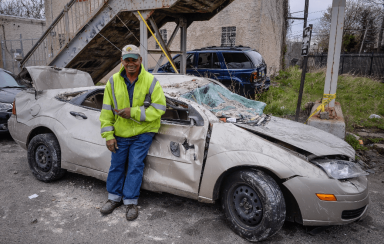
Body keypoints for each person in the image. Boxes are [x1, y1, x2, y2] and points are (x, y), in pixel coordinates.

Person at [99, 44, 166, 221]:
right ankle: (114, 199)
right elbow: (106, 112)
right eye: (127, 60)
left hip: (142, 133)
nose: (130, 63)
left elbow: (159, 108)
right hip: (120, 133)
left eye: (134, 60)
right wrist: (109, 135)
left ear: (140, 61)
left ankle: (130, 202)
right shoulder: (112, 82)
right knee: (117, 165)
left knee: (135, 165)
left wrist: (133, 112)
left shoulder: (151, 81)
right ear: (122, 61)